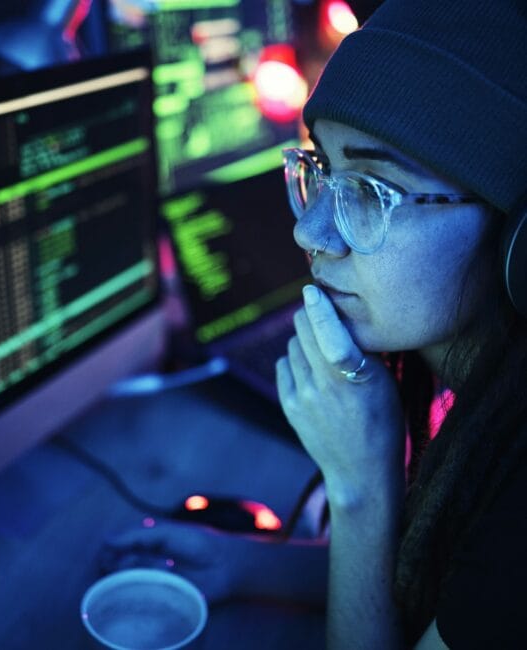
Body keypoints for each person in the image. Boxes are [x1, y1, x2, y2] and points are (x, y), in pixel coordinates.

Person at [100, 0, 527, 647]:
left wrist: (359, 490)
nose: (309, 229)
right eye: (321, 170)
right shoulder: (458, 390)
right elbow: (441, 594)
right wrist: (248, 564)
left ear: (516, 241)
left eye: (370, 191)